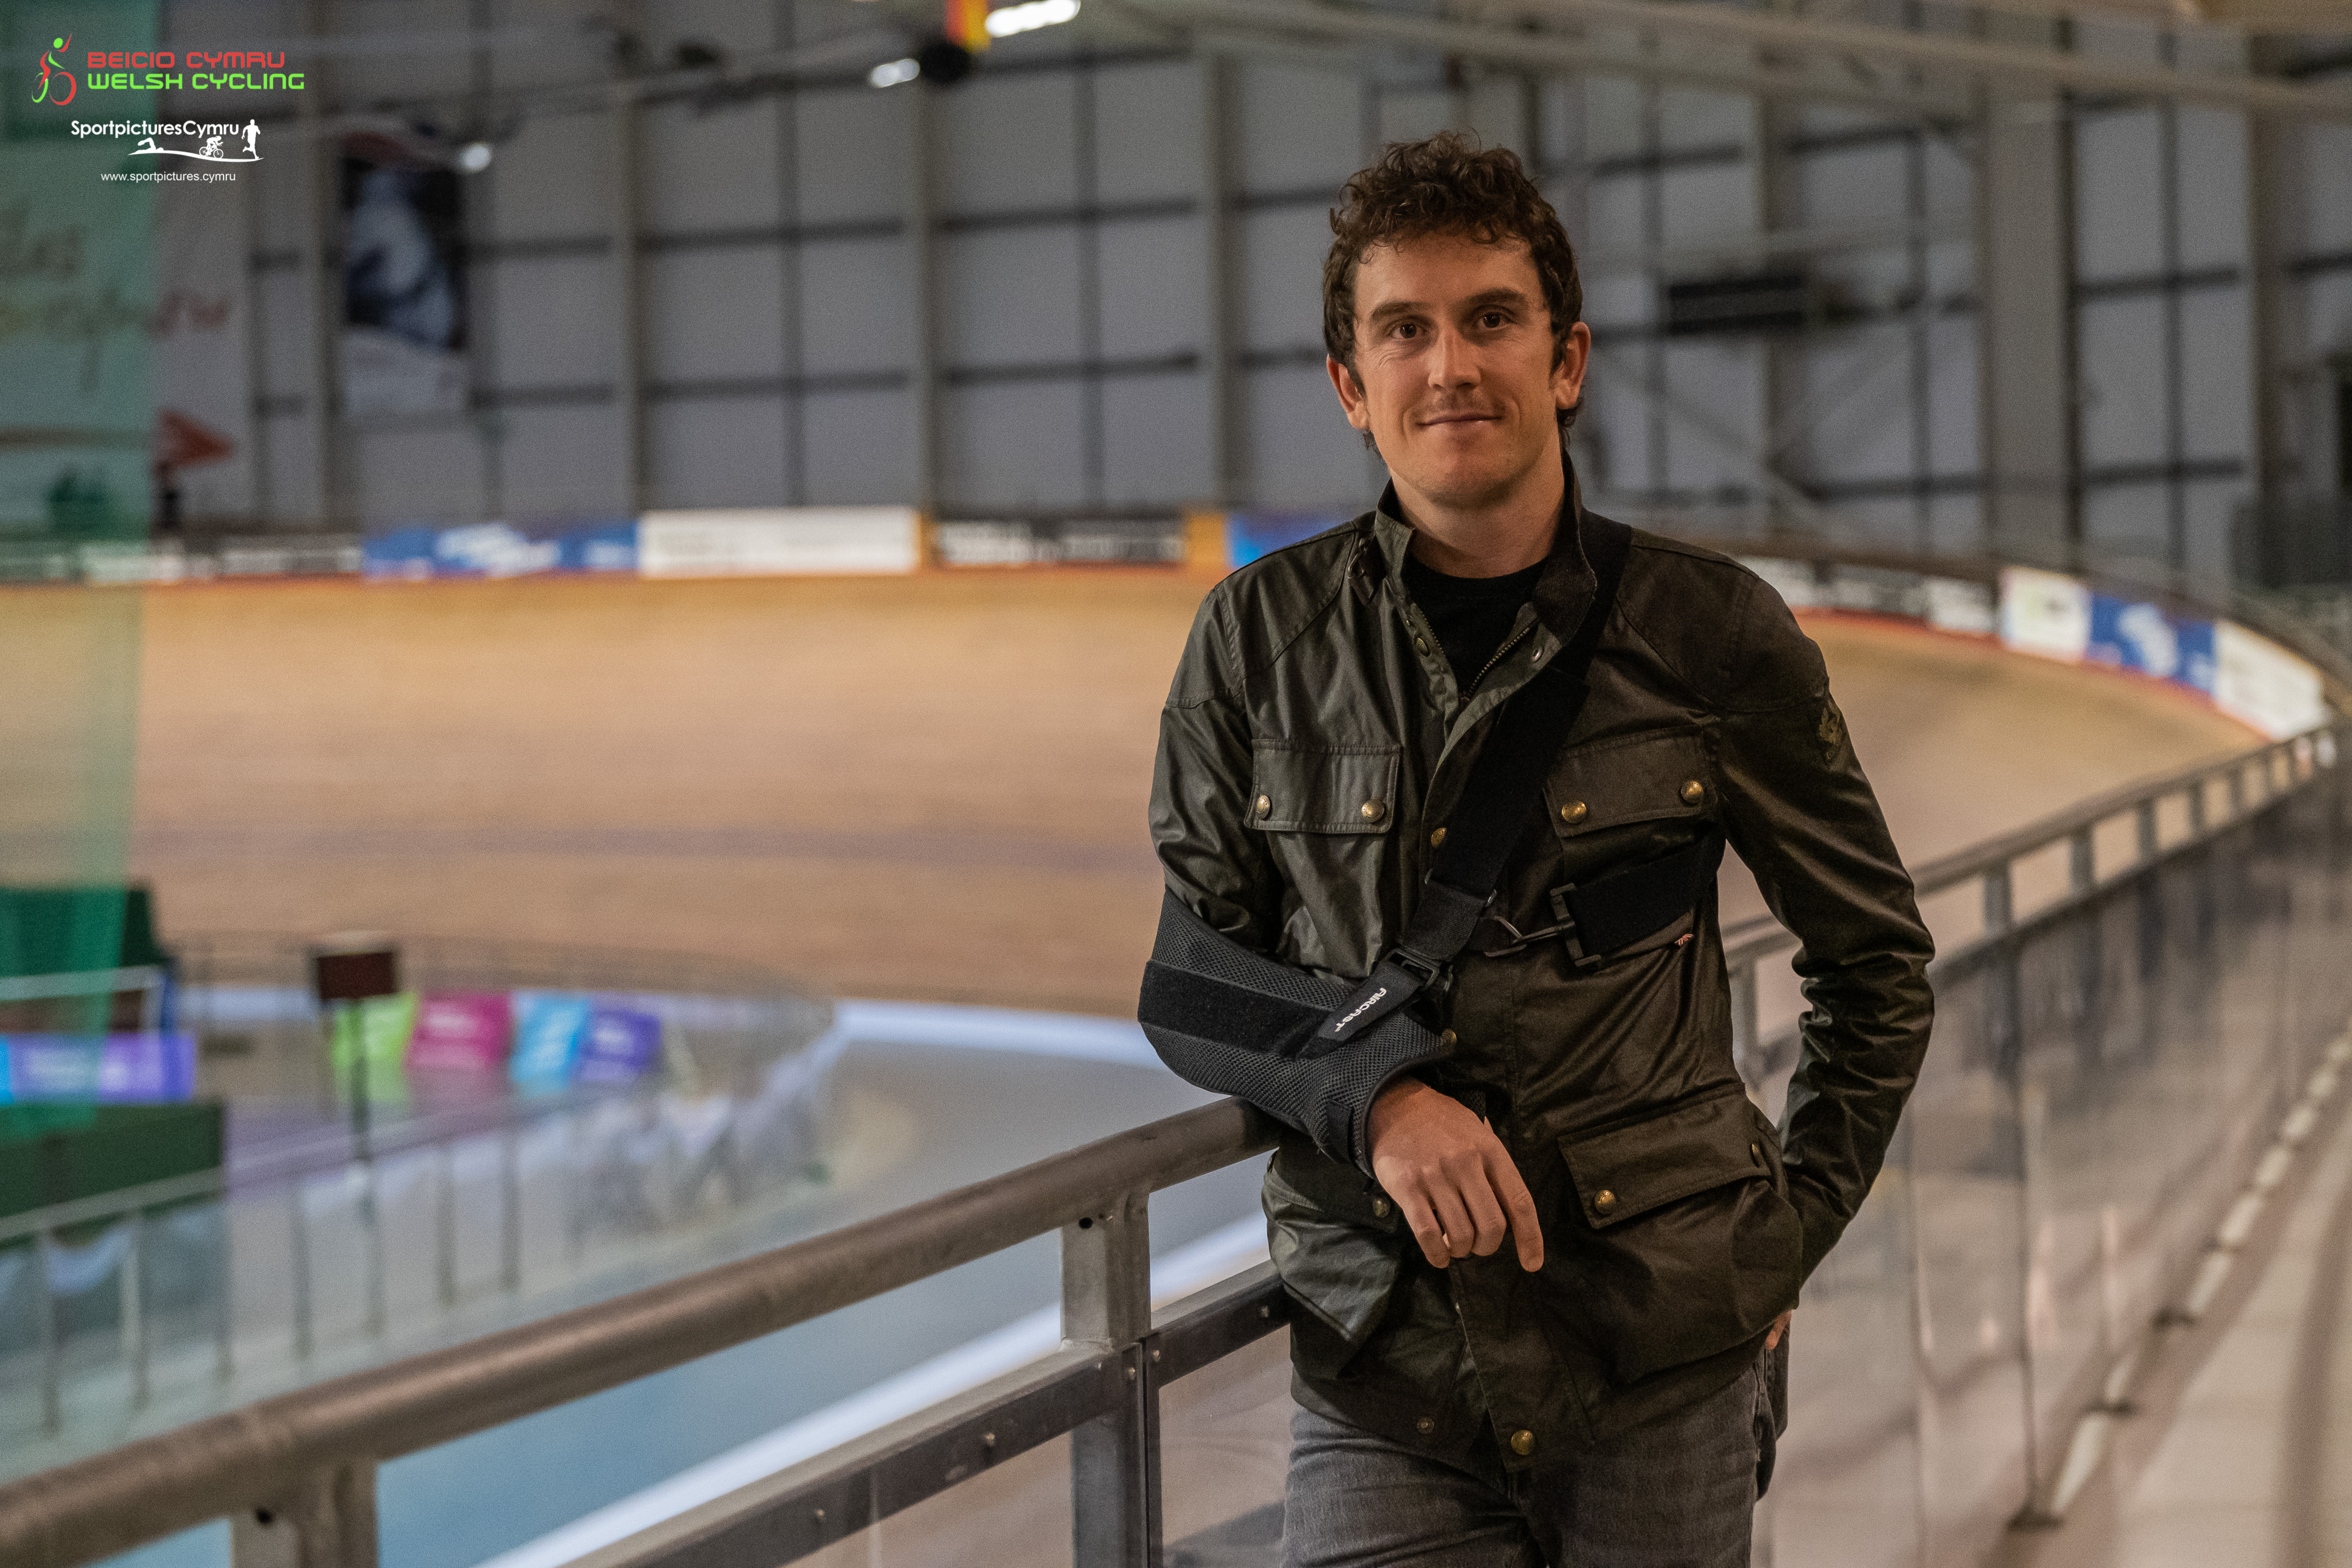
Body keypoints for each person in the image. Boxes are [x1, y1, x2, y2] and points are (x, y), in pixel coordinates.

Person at [1139, 132, 1935, 1566]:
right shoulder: (1253, 642)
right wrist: (1374, 1094)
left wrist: (1785, 1236)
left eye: (1489, 319)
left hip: (1664, 1359)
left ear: (1562, 359)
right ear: (1350, 387)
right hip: (1387, 1368)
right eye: (1405, 330)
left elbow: (1873, 963)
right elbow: (1191, 978)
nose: (1450, 365)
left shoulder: (1710, 631)